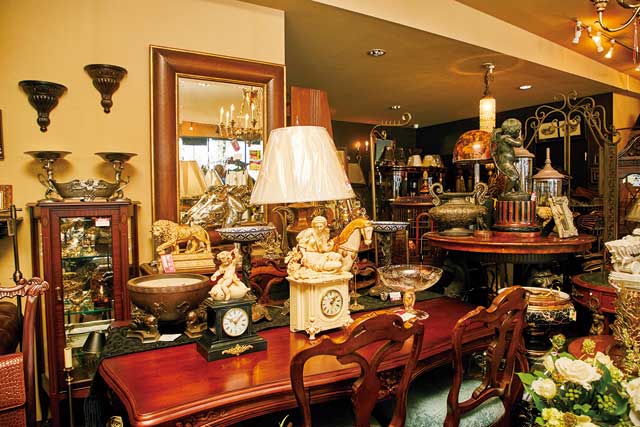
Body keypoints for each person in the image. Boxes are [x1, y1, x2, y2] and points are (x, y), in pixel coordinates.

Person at [491, 118, 526, 199]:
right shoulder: (505, 138)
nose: (518, 132)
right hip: (505, 163)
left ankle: (519, 190)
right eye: (518, 131)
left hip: (507, 162)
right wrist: (520, 139)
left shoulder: (502, 138)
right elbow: (518, 144)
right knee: (514, 176)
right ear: (513, 131)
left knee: (515, 176)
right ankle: (506, 192)